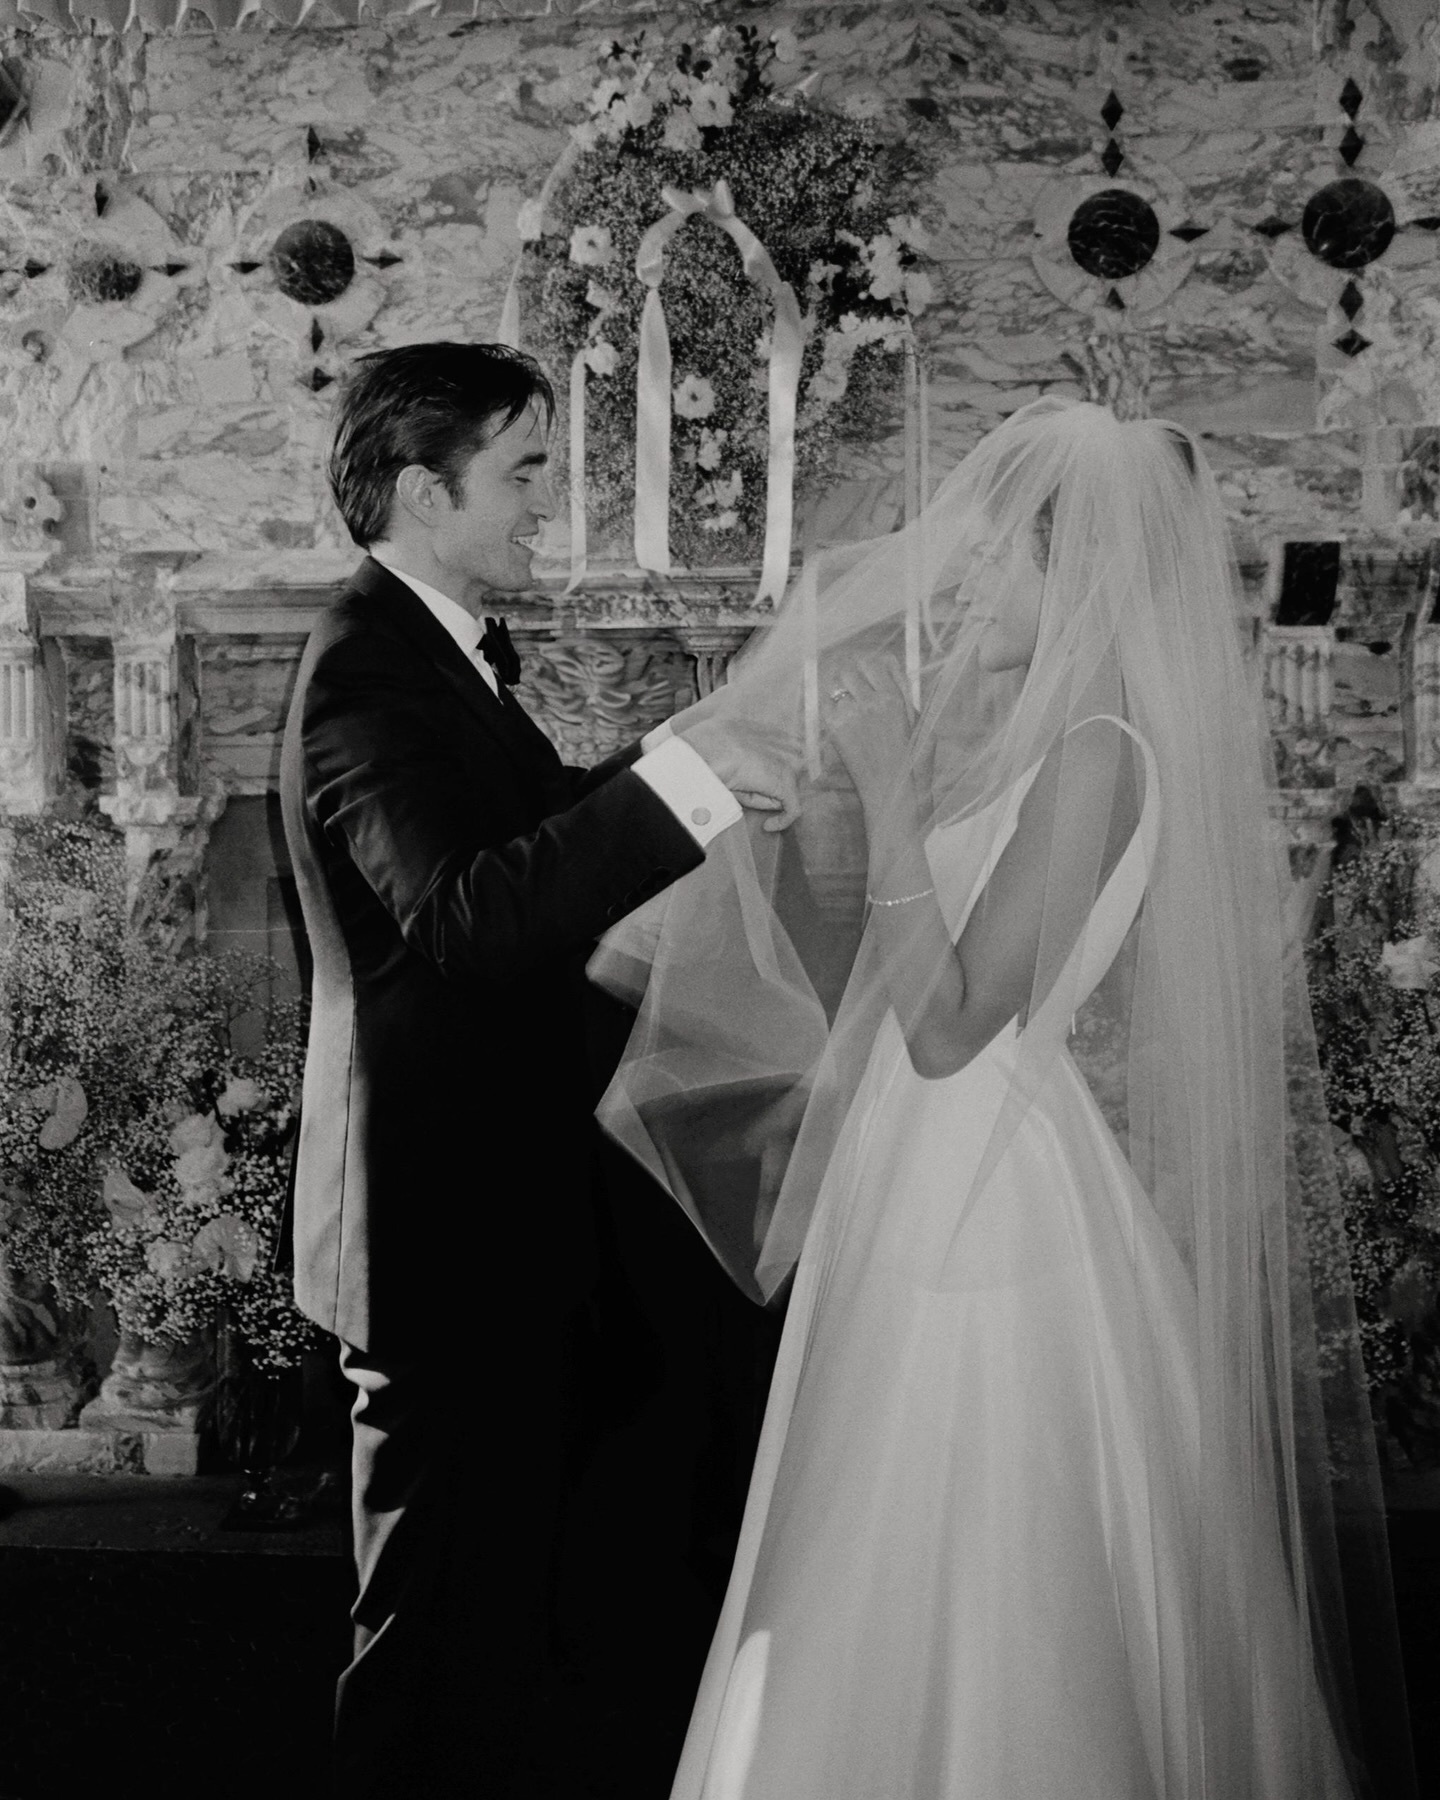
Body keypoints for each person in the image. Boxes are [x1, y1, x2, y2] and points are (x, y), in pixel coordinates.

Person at [591, 399, 1416, 1798]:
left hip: (985, 1200)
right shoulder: (1049, 741)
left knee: (964, 1536)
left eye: (996, 555)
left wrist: (889, 801)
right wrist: (820, 820)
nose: (965, 578)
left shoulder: (1103, 749)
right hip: (927, 1172)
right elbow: (903, 978)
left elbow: (955, 1026)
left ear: (1077, 570)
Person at [278, 340, 795, 1798]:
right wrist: (683, 784)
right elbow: (469, 914)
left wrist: (689, 759)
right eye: (521, 473)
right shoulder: (364, 670)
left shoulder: (428, 651)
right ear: (420, 492)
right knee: (430, 1638)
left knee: (492, 1625)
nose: (546, 504)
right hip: (433, 1234)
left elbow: (528, 823)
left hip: (489, 1220)